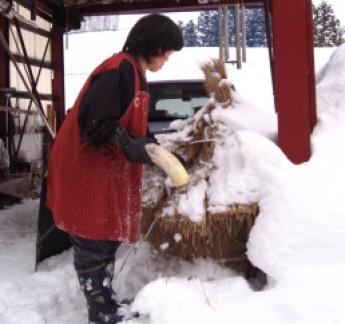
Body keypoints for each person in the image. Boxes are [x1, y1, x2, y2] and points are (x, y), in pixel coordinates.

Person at [47, 14, 183, 324]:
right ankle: (101, 311)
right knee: (93, 241)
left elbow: (132, 127)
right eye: (167, 51)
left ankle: (105, 298)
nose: (167, 59)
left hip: (102, 173)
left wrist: (156, 148)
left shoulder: (135, 73)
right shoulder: (117, 70)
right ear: (153, 44)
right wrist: (128, 144)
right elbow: (96, 125)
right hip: (84, 172)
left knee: (105, 240)